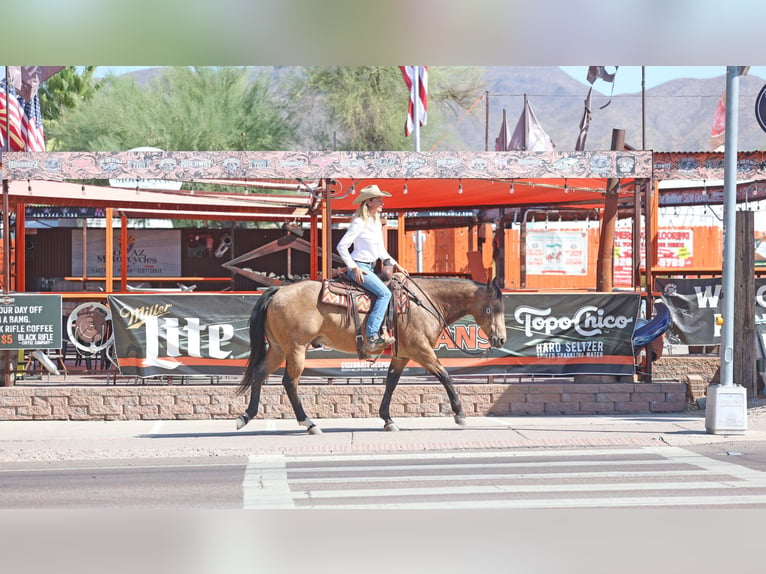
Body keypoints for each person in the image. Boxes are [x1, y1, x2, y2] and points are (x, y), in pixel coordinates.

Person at [336, 184, 408, 354]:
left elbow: (380, 250)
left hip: (369, 266)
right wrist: (353, 268)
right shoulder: (360, 222)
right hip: (360, 266)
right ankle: (372, 335)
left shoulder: (375, 221)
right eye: (378, 199)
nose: (382, 202)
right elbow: (341, 246)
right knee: (385, 294)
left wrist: (396, 264)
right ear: (369, 202)